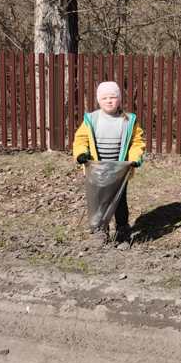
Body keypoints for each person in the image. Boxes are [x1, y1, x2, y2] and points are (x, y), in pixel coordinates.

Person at [72, 81, 145, 250]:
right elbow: (81, 139)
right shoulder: (91, 119)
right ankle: (99, 231)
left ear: (119, 99)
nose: (109, 101)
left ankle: (122, 232)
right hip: (96, 170)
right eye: (104, 98)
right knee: (99, 202)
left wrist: (135, 158)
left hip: (119, 171)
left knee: (120, 202)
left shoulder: (128, 120)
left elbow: (137, 142)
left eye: (113, 97)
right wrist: (81, 153)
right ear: (99, 100)